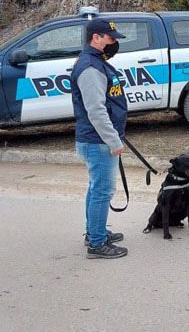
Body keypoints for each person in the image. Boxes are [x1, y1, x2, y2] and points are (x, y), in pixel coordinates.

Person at [71, 18, 129, 259]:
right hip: (98, 141)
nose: (114, 43)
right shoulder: (91, 68)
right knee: (103, 191)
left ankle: (94, 232)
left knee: (96, 188)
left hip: (97, 139)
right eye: (110, 39)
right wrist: (113, 141)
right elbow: (95, 110)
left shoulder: (96, 63)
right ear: (96, 38)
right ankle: (97, 243)